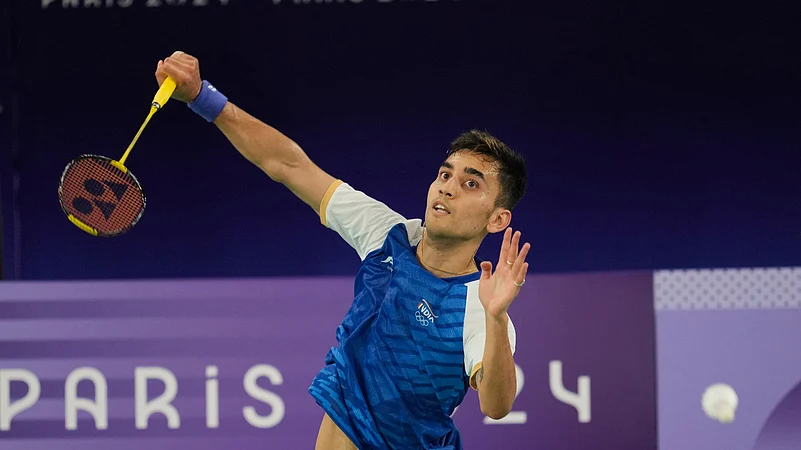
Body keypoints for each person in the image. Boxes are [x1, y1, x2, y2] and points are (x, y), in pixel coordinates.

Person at [155, 50, 529, 450]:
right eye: (444, 174)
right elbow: (288, 165)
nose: (447, 188)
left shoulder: (480, 305)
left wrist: (495, 317)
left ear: (497, 220)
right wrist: (202, 97)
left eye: (471, 184)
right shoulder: (388, 235)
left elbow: (496, 406)